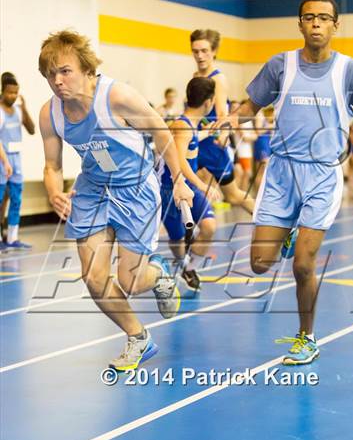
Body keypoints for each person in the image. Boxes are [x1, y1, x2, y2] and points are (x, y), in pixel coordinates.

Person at [216, 0, 353, 365]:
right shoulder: (280, 65)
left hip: (321, 176)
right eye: (308, 17)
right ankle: (290, 234)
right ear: (299, 24)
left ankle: (306, 337)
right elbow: (251, 106)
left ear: (335, 25)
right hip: (279, 174)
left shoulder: (349, 71)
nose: (315, 24)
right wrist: (235, 118)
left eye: (323, 18)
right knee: (260, 262)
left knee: (303, 265)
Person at [38, 30, 193, 371]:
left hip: (135, 190)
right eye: (50, 74)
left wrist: (179, 179)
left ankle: (159, 276)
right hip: (93, 191)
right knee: (93, 278)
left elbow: (161, 132)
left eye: (65, 71)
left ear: (86, 69)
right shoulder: (51, 114)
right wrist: (54, 192)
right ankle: (139, 338)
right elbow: (52, 165)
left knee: (131, 281)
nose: (57, 81)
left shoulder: (117, 96)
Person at [160, 77, 219, 291]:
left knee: (209, 226)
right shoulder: (181, 126)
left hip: (189, 188)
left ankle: (189, 267)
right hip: (171, 190)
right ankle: (183, 263)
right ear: (209, 103)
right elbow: (180, 160)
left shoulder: (190, 126)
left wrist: (206, 133)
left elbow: (189, 141)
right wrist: (202, 185)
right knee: (177, 242)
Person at [190, 29, 254, 213]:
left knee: (233, 196)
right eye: (195, 51)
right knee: (175, 181)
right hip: (196, 142)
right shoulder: (195, 77)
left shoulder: (217, 79)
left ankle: (274, 225)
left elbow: (222, 115)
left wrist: (224, 135)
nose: (200, 56)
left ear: (214, 51)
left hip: (212, 146)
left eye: (204, 51)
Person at [0, 73, 35, 250]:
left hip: (16, 162)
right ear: (2, 92)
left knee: (16, 200)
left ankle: (12, 238)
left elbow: (31, 129)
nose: (13, 96)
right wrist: (4, 161)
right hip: (1, 161)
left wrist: (25, 108)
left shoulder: (18, 111)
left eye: (16, 92)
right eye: (9, 93)